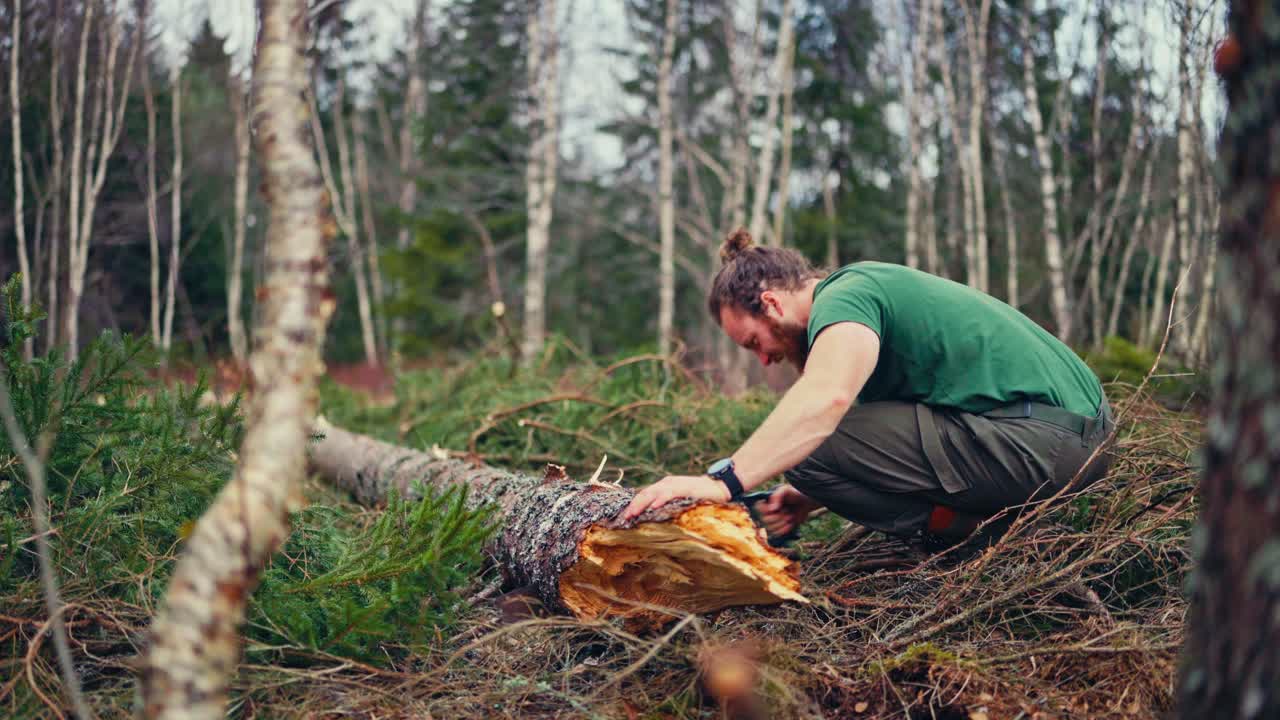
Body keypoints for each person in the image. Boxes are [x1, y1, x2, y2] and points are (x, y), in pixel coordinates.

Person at [620, 229, 1112, 549]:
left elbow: (826, 399)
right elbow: (900, 429)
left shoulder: (845, 296)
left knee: (810, 446)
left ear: (771, 303)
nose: (765, 358)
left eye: (754, 343)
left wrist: (722, 482)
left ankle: (982, 538)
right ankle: (990, 528)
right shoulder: (865, 301)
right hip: (1072, 437)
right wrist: (809, 497)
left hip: (1048, 442)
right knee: (810, 461)